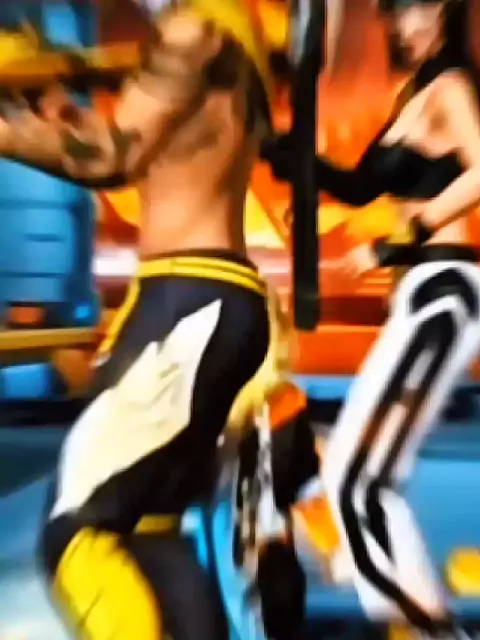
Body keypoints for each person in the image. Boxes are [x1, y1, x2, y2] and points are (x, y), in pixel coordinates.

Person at [0, 1, 294, 638]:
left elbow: (109, 156)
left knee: (78, 527)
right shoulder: (228, 41)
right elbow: (148, 150)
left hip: (188, 303)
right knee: (146, 527)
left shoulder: (191, 34)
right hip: (202, 299)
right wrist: (60, 115)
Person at [266, 0, 480, 637]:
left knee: (355, 485)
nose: (401, 26)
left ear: (443, 11)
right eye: (393, 14)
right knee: (356, 480)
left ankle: (429, 630)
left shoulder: (451, 88)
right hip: (420, 297)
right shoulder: (411, 98)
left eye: (413, 10)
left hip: (444, 289)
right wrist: (289, 158)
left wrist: (398, 240)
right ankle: (417, 623)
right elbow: (361, 188)